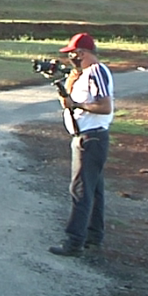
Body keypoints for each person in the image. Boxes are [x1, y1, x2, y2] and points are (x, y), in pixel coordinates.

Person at [50, 32, 114, 257]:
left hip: (91, 138)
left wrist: (76, 104)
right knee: (94, 190)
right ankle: (93, 236)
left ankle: (74, 241)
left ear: (83, 53)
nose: (71, 59)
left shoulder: (96, 71)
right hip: (89, 137)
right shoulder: (85, 74)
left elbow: (105, 106)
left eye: (73, 55)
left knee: (80, 189)